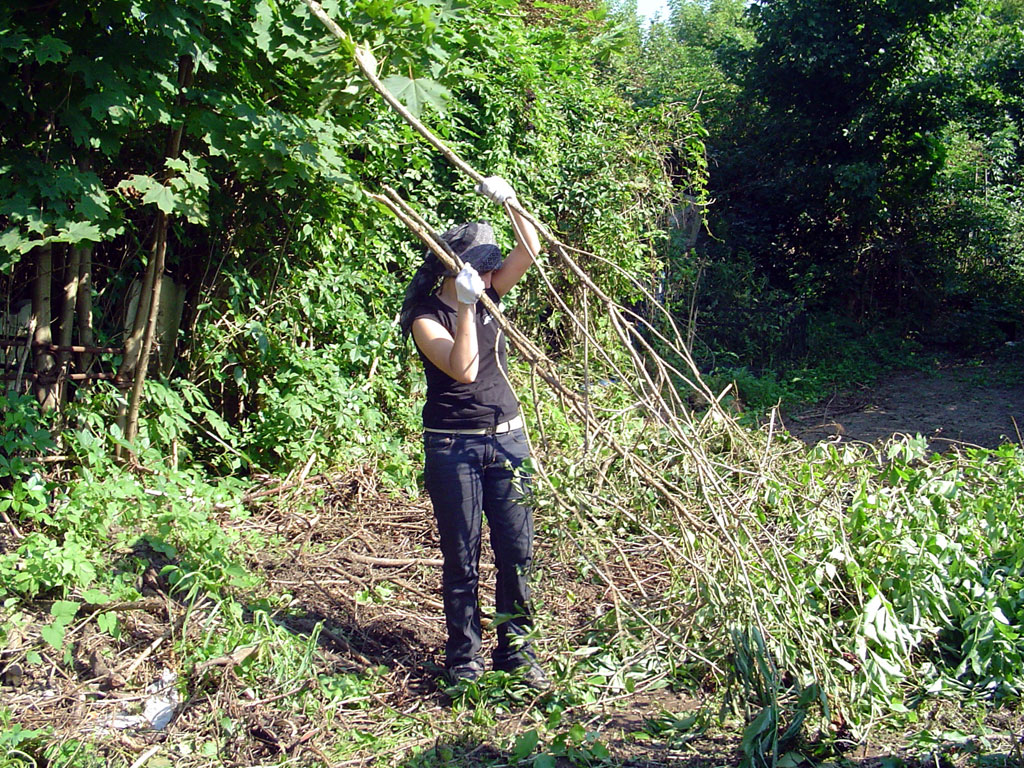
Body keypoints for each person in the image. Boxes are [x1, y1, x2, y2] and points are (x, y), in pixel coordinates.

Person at [398, 176, 548, 689]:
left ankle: (518, 652)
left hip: (508, 439)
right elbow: (462, 368)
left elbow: (531, 247)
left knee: (516, 550)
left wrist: (513, 201)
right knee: (462, 554)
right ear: (454, 269)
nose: (490, 273)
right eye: (481, 266)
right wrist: (466, 304)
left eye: (490, 267)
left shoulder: (489, 293)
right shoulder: (426, 317)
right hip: (452, 445)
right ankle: (464, 658)